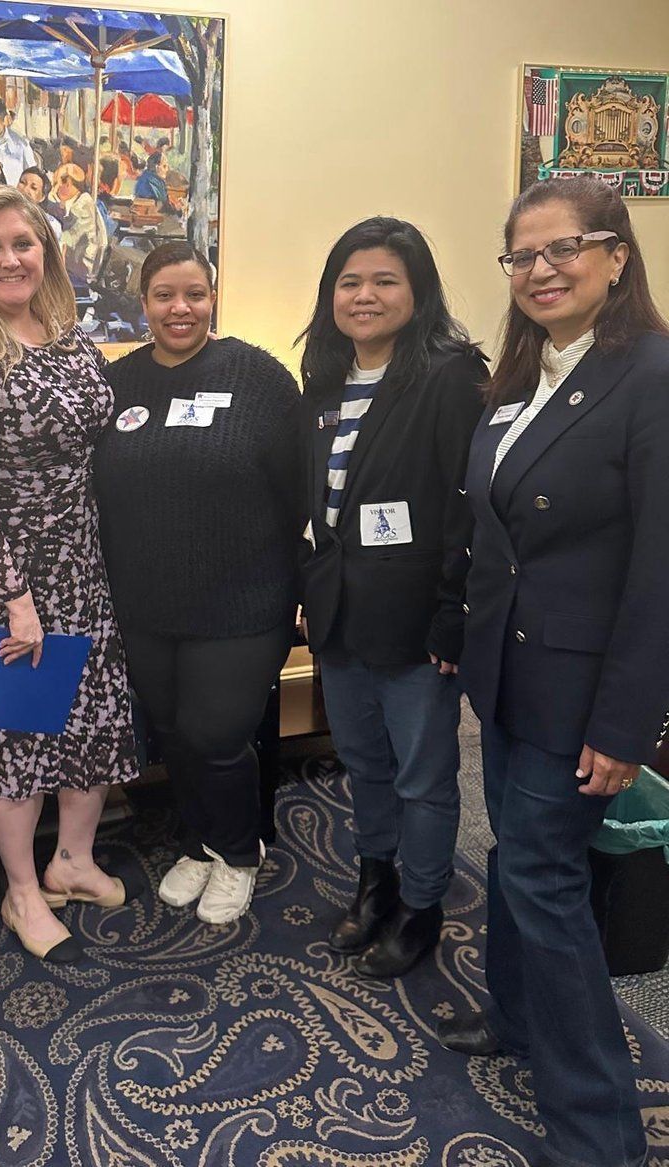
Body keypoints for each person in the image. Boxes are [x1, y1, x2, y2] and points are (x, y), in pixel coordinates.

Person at [437, 175, 669, 1167]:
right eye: (521, 254)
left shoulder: (651, 375)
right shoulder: (522, 376)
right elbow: (494, 536)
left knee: (542, 875)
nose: (539, 269)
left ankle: (598, 1127)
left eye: (561, 247)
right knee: (519, 859)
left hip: (580, 694)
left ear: (615, 256)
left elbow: (660, 570)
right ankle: (517, 1018)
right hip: (507, 680)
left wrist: (626, 725)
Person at [0, 184, 138, 965]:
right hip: (7, 576)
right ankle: (21, 888)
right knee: (17, 733)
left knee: (89, 717)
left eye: (24, 243)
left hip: (82, 560)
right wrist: (15, 595)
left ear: (47, 250)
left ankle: (71, 860)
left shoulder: (68, 336)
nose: (11, 259)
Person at [296, 218, 486, 977]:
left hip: (417, 622)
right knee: (364, 764)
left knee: (423, 777)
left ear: (418, 291)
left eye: (384, 281)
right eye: (349, 282)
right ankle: (376, 883)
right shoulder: (324, 379)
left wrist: (453, 612)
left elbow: (466, 506)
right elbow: (320, 504)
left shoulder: (450, 375)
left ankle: (423, 904)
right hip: (341, 616)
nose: (364, 296)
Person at [93, 242, 302, 924]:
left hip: (242, 604)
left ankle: (240, 851)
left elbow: (296, 491)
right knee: (174, 735)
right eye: (164, 295)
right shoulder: (117, 382)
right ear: (143, 303)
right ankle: (199, 842)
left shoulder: (258, 377)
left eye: (195, 294)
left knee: (216, 736)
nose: (180, 308)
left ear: (213, 299)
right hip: (147, 606)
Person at [54, 163, 107, 283]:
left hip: (83, 269)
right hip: (75, 263)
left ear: (68, 184)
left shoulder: (83, 204)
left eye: (57, 183)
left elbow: (72, 237)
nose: (55, 188)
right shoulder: (74, 203)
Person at [17, 165, 64, 238]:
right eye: (22, 182)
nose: (25, 189)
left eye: (33, 188)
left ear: (42, 197)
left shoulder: (50, 225)